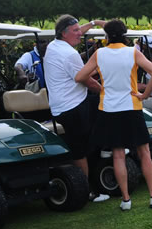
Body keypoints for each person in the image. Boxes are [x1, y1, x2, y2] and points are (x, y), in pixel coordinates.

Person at [75, 20, 152, 211]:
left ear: (106, 37)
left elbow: (80, 77)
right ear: (125, 35)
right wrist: (144, 95)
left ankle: (126, 200)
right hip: (131, 107)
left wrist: (102, 88)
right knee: (144, 152)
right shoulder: (133, 52)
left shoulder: (99, 53)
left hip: (109, 109)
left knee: (118, 155)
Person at [43, 14, 109, 202]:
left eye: (80, 29)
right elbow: (87, 80)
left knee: (96, 108)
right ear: (64, 34)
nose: (80, 34)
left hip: (62, 105)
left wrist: (94, 23)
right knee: (81, 149)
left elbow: (76, 30)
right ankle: (85, 190)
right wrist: (107, 92)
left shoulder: (54, 45)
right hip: (72, 107)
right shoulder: (70, 54)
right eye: (76, 31)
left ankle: (104, 147)